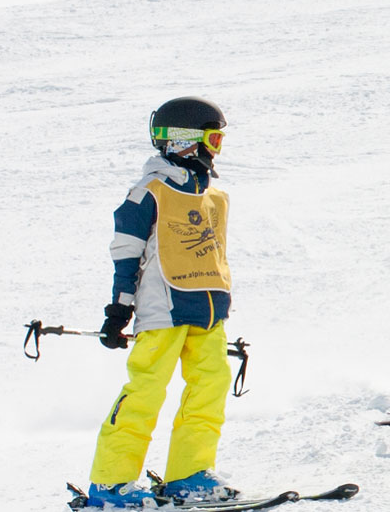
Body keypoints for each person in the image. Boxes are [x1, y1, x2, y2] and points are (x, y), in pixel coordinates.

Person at [84, 97, 239, 507]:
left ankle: (188, 474)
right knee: (147, 390)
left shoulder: (215, 197)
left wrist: (221, 303)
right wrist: (120, 307)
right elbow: (126, 249)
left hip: (206, 312)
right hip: (163, 308)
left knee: (210, 387)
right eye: (212, 138)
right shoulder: (149, 192)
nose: (214, 149)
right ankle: (110, 483)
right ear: (184, 140)